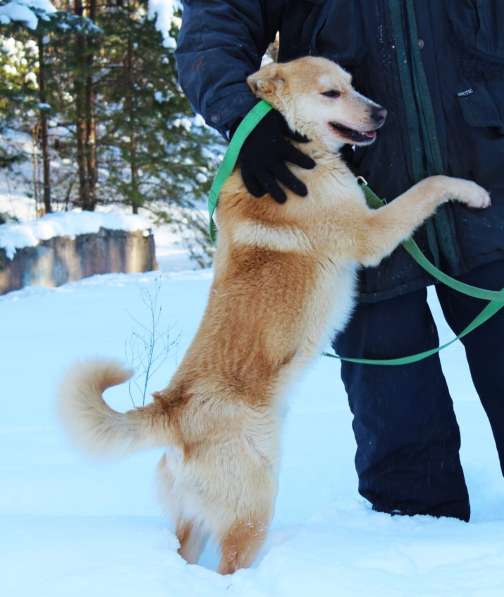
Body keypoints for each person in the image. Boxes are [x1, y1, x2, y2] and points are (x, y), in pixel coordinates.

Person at [175, 0, 504, 522]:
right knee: (397, 413)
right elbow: (217, 23)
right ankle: (416, 544)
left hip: (489, 180)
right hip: (343, 196)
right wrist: (247, 119)